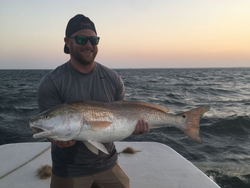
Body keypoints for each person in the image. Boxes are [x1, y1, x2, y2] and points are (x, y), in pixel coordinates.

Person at [37, 14, 149, 188]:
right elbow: (52, 126)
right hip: (69, 169)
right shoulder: (52, 82)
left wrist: (133, 127)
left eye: (93, 40)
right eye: (81, 39)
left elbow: (123, 115)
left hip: (108, 162)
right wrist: (54, 139)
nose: (89, 45)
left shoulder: (113, 78)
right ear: (67, 42)